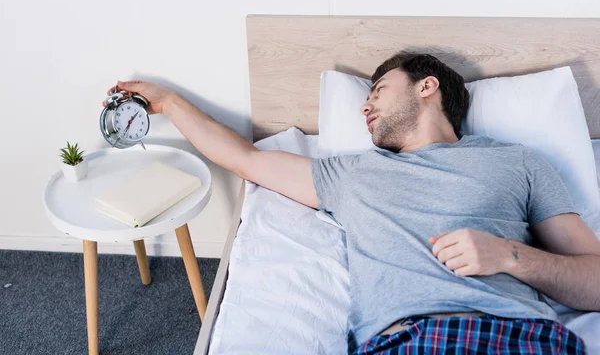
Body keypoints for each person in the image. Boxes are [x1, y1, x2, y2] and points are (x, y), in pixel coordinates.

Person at [104, 53, 600, 354]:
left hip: (527, 340)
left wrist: (510, 256)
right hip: (409, 343)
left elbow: (595, 283)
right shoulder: (353, 172)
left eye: (379, 90)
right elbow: (246, 160)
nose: (365, 106)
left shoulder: (516, 162)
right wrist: (166, 102)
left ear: (427, 88)